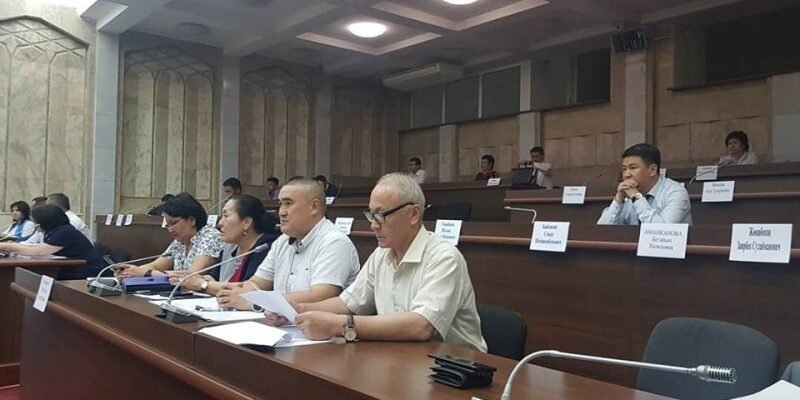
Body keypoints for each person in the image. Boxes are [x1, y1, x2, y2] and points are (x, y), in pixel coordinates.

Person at [291, 173, 487, 352]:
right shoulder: (381, 255)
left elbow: (421, 326)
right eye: (371, 215)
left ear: (413, 214)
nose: (373, 225)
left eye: (381, 215)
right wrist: (298, 311)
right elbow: (348, 303)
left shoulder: (444, 257)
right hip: (401, 357)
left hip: (454, 368)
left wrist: (339, 325)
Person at [216, 178, 360, 311]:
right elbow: (257, 283)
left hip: (316, 328)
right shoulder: (282, 241)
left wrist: (256, 303)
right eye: (280, 204)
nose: (281, 212)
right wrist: (235, 292)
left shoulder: (334, 242)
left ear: (314, 207)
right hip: (281, 322)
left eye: (288, 204)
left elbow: (321, 296)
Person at [168, 195, 279, 295]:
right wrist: (198, 279)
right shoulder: (229, 247)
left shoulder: (265, 248)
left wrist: (202, 284)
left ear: (246, 223)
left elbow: (245, 291)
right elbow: (213, 278)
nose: (220, 223)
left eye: (226, 215)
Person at [116, 192, 223, 278]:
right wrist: (130, 271)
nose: (170, 229)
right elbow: (155, 265)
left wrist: (146, 273)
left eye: (174, 223)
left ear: (191, 220)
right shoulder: (180, 242)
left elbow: (190, 277)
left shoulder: (210, 237)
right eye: (168, 225)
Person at [0, 204, 104, 280]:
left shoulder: (65, 231)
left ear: (46, 220)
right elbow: (37, 246)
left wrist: (8, 246)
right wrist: (12, 248)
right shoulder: (52, 231)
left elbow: (38, 251)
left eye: (37, 222)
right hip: (69, 268)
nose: (36, 225)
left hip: (85, 271)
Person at [597, 143, 692, 225]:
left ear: (652, 170)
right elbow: (601, 230)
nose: (626, 174)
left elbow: (662, 232)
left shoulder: (675, 192)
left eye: (633, 168)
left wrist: (637, 197)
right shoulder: (627, 193)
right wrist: (618, 200)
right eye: (624, 169)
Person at [23, 193, 90, 244]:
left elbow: (55, 245)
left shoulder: (72, 221)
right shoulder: (51, 220)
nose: (45, 208)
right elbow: (32, 241)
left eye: (47, 206)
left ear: (56, 207)